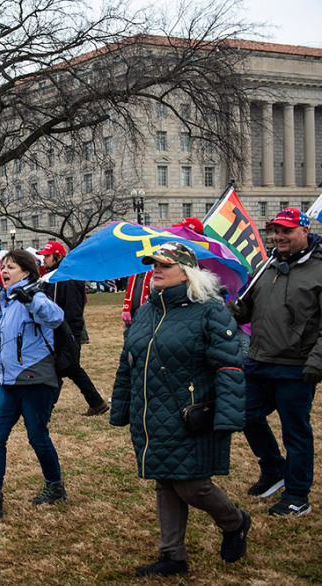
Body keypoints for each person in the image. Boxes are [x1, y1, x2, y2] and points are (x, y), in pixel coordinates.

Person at [111, 242, 249, 577]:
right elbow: (128, 362)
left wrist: (228, 416)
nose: (155, 270)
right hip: (151, 414)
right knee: (165, 482)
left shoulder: (210, 311)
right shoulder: (147, 310)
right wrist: (121, 407)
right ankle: (172, 556)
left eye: (164, 265)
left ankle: (234, 522)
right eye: (153, 265)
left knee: (193, 485)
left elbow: (229, 366)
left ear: (186, 272)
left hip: (191, 415)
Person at [228, 207, 320, 517]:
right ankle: (273, 469)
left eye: (286, 231)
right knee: (243, 415)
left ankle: (297, 496)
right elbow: (249, 308)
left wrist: (316, 361)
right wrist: (237, 310)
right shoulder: (266, 266)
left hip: (296, 366)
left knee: (295, 432)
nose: (278, 236)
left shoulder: (318, 269)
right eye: (275, 231)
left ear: (304, 232)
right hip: (259, 361)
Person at [0, 249, 66, 519]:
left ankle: (55, 485)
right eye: (3, 266)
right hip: (8, 382)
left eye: (11, 266)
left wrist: (32, 298)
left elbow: (56, 317)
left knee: (37, 436)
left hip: (35, 379)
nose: (4, 270)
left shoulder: (36, 295)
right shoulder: (7, 299)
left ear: (27, 272)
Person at [39, 241, 109, 417]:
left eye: (47, 256)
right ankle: (96, 402)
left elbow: (72, 311)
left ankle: (45, 409)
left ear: (58, 256)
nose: (44, 259)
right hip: (59, 331)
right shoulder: (54, 276)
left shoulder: (67, 278)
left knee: (59, 369)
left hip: (66, 331)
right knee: (71, 368)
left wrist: (69, 334)